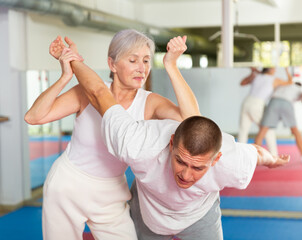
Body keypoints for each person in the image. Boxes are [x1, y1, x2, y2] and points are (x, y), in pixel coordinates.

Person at [63, 39, 290, 239]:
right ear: (171, 143)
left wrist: (271, 159)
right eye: (181, 161)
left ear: (216, 159)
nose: (186, 174)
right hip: (149, 213)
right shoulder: (139, 143)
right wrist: (74, 60)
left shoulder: (230, 160)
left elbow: (256, 152)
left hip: (199, 215)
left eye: (198, 167)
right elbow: (99, 93)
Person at [25, 29, 199, 240]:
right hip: (67, 186)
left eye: (146, 61)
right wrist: (65, 76)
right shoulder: (87, 92)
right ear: (112, 64)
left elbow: (193, 120)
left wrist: (171, 65)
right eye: (133, 60)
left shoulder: (150, 102)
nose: (141, 68)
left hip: (112, 193)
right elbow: (34, 117)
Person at [238, 67, 293, 156]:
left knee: (243, 131)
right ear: (270, 69)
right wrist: (287, 70)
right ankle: (274, 156)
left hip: (246, 102)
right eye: (274, 69)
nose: (275, 70)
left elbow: (242, 83)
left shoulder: (257, 76)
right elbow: (290, 82)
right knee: (268, 129)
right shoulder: (274, 79)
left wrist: (252, 73)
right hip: (257, 104)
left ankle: (239, 155)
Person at [255, 82, 302, 164]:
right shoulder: (298, 88)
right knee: (295, 131)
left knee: (263, 130)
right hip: (286, 103)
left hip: (273, 102)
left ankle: (256, 156)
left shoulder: (283, 85)